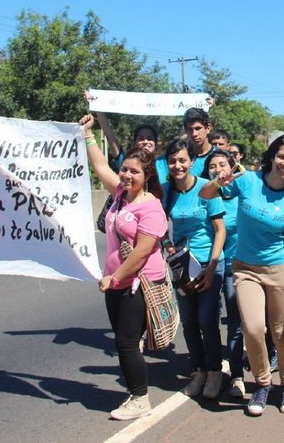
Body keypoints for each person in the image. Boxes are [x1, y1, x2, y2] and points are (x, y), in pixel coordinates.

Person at [200, 133, 284, 416]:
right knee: (252, 328)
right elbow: (205, 195)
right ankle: (262, 383)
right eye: (281, 156)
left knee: (282, 332)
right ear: (272, 156)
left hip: (279, 271)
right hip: (245, 268)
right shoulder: (248, 180)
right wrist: (218, 181)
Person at [81, 114, 169, 420]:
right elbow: (100, 166)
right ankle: (135, 392)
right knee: (124, 339)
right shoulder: (120, 196)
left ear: (147, 175)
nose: (126, 175)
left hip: (138, 283)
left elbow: (143, 251)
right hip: (115, 283)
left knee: (127, 342)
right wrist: (88, 135)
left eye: (134, 172)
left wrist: (116, 275)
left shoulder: (151, 206)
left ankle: (139, 398)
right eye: (125, 170)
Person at [162, 139, 226, 399]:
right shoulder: (165, 191)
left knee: (207, 321)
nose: (178, 165)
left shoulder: (206, 188)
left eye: (182, 160)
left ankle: (214, 372)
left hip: (209, 264)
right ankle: (197, 371)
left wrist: (211, 268)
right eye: (173, 160)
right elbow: (158, 227)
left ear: (191, 162)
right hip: (181, 266)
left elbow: (220, 230)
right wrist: (166, 246)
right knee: (188, 322)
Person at [202, 150, 244, 397]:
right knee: (206, 320)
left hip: (236, 265)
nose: (218, 169)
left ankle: (237, 375)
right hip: (209, 265)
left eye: (222, 164)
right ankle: (212, 371)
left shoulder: (241, 192)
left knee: (236, 323)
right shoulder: (204, 194)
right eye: (212, 166)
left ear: (232, 166)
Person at [183, 108, 215, 177]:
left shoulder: (221, 157)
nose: (194, 134)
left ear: (208, 128)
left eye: (198, 128)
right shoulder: (181, 158)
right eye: (190, 129)